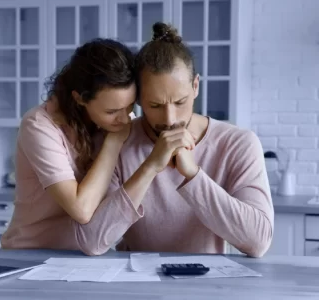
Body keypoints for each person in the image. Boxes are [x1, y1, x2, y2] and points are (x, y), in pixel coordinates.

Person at [62, 22, 274, 258]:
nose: (170, 118)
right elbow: (91, 241)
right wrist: (150, 166)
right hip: (135, 285)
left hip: (207, 286)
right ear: (139, 100)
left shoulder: (238, 144)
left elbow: (259, 241)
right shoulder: (116, 142)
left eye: (180, 102)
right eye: (155, 105)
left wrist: (193, 175)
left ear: (195, 86)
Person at [0, 38, 136, 251]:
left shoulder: (110, 124)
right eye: (112, 111)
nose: (125, 119)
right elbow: (81, 210)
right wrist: (114, 142)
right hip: (30, 256)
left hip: (88, 255)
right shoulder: (39, 125)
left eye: (129, 107)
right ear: (80, 98)